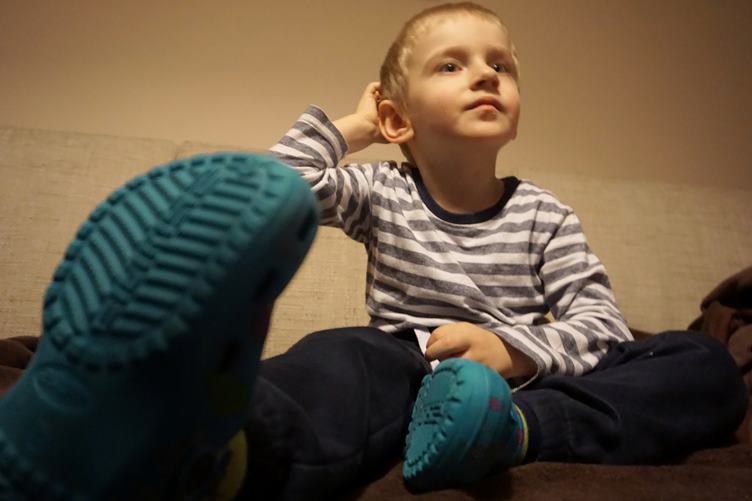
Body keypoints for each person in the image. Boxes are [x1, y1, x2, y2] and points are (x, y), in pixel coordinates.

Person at [0, 2, 747, 500]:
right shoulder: (381, 191)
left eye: (501, 64)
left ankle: (510, 437)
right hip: (406, 367)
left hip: (529, 391)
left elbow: (599, 325)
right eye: (451, 65)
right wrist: (357, 127)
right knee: (341, 357)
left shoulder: (546, 215)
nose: (485, 73)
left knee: (698, 360)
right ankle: (213, 451)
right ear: (397, 115)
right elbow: (276, 193)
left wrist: (512, 351)